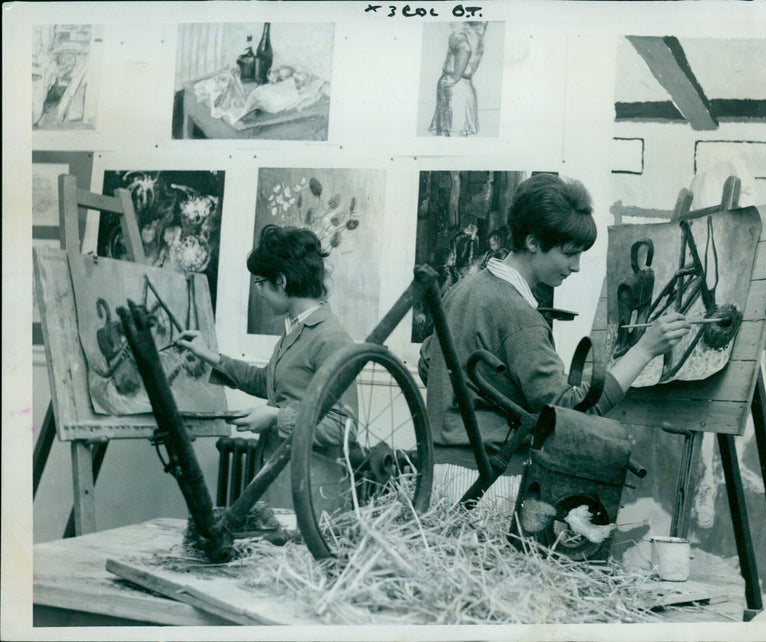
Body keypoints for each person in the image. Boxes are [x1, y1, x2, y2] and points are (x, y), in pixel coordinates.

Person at [418, 174, 690, 481]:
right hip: (489, 479)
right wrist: (645, 349)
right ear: (533, 242)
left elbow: (429, 362)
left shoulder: (466, 288)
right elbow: (572, 413)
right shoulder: (516, 313)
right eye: (569, 253)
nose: (575, 266)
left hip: (438, 470)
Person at [177, 224, 355, 447]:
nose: (259, 293)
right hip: (279, 469)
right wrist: (208, 355)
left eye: (260, 284)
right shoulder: (296, 327)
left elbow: (343, 429)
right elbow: (266, 382)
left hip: (308, 477)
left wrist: (274, 417)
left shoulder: (331, 338)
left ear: (281, 281)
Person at [428, 22, 488, 137]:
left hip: (453, 89)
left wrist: (455, 78)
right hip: (466, 87)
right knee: (459, 137)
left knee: (448, 136)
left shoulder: (459, 35)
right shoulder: (478, 38)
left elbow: (465, 49)